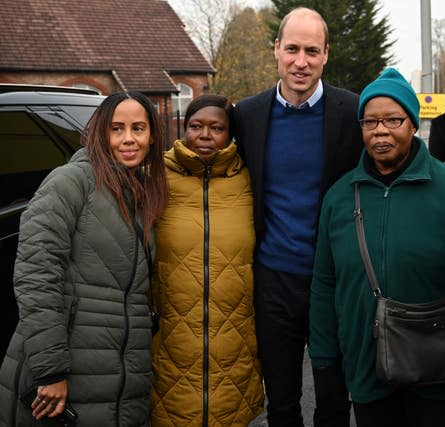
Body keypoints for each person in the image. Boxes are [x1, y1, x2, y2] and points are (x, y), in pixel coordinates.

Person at [309, 68, 445, 427]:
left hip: (441, 377)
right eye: (370, 121)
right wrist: (325, 363)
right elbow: (324, 286)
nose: (380, 130)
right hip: (366, 373)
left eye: (393, 119)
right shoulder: (340, 197)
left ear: (412, 124)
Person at [0, 92, 168, 426]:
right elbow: (37, 277)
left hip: (121, 377)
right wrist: (50, 372)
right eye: (117, 129)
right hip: (66, 374)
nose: (129, 139)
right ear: (100, 133)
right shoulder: (70, 182)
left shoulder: (142, 193)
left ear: (152, 136)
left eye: (139, 128)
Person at [233, 7, 363, 427]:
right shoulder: (248, 115)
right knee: (283, 402)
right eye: (292, 49)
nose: (300, 61)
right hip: (273, 278)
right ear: (277, 50)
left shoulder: (352, 111)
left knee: (332, 401)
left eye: (311, 50)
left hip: (332, 279)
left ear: (326, 54)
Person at [149, 95, 264, 426]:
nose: (205, 135)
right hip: (171, 333)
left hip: (236, 332)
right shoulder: (156, 176)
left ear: (231, 134)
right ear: (184, 130)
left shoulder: (250, 180)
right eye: (196, 126)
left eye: (217, 128)